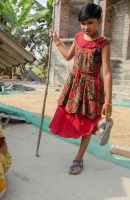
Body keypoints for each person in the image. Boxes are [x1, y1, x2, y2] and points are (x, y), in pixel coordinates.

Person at [48, 3, 113, 175]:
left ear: (99, 20)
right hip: (75, 83)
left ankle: (79, 157)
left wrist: (108, 101)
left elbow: (106, 73)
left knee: (87, 119)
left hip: (92, 86)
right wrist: (56, 40)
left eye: (90, 23)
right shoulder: (78, 37)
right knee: (72, 117)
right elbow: (68, 57)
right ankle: (101, 127)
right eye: (83, 23)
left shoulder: (103, 44)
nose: (86, 27)